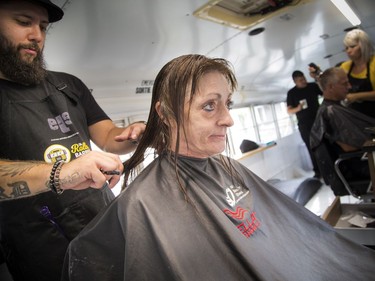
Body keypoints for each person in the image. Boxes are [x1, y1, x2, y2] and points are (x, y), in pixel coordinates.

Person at [63, 55, 375, 281]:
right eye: (209, 106)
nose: (228, 119)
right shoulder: (143, 203)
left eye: (228, 104)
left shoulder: (225, 166)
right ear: (165, 112)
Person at [0, 1, 145, 280]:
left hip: (104, 219)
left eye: (43, 27)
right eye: (23, 22)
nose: (37, 35)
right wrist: (62, 172)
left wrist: (137, 134)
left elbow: (108, 137)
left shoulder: (69, 85)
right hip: (42, 248)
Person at [310, 67, 375, 195]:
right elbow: (350, 147)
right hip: (360, 167)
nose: (349, 86)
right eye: (345, 83)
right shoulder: (331, 112)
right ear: (330, 87)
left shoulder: (334, 108)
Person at [286, 70, 322, 178]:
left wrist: (317, 79)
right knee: (311, 147)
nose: (304, 81)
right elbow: (289, 111)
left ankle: (330, 167)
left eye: (304, 78)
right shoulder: (292, 93)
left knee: (323, 144)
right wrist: (298, 108)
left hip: (318, 121)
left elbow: (324, 92)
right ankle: (317, 171)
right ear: (295, 81)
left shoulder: (312, 86)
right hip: (304, 125)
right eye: (300, 80)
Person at [340, 29, 375, 118]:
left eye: (352, 46)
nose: (348, 51)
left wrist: (357, 96)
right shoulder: (345, 67)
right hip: (359, 120)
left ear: (364, 46)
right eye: (346, 48)